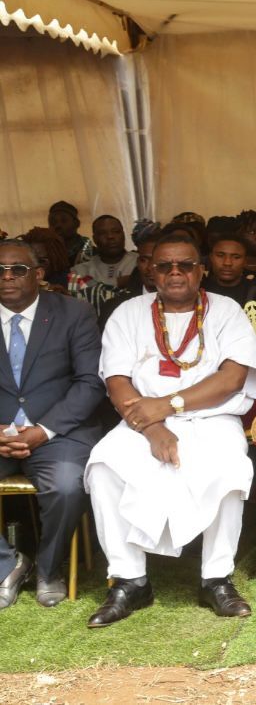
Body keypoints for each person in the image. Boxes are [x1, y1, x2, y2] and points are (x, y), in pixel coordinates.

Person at [84, 232, 256, 627]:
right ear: (151, 271)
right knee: (103, 465)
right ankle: (130, 580)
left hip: (211, 418)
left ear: (201, 271)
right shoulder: (128, 313)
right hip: (141, 422)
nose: (175, 272)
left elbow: (232, 379)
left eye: (185, 265)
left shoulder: (225, 310)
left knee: (230, 469)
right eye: (165, 266)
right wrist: (154, 427)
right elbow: (117, 382)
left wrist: (168, 405)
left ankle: (216, 578)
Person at [0, 240, 104, 609]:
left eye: (18, 269)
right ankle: (9, 564)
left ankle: (49, 567)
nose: (7, 277)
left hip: (59, 433)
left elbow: (91, 382)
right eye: (0, 270)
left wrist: (43, 430)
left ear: (39, 274)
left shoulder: (73, 313)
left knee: (66, 486)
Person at [202, 232, 256, 310]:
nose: (227, 263)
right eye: (220, 255)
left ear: (245, 261)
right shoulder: (199, 291)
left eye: (236, 257)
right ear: (211, 258)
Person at [73, 216, 137, 287]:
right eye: (102, 233)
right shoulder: (79, 271)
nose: (110, 236)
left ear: (123, 235)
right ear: (94, 239)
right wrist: (119, 282)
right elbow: (72, 291)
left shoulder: (139, 262)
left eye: (116, 232)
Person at [47, 201, 94, 266]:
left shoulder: (93, 253)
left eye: (64, 221)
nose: (58, 225)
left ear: (76, 223)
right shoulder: (45, 254)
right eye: (53, 222)